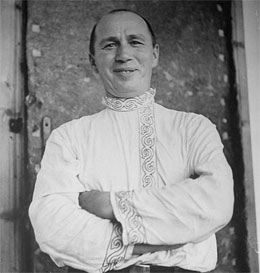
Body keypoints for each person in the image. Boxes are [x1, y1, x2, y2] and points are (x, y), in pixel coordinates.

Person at [29, 9, 234, 273]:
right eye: (110, 44)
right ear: (93, 61)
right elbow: (52, 225)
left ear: (155, 54)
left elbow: (216, 203)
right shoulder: (68, 137)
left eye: (135, 42)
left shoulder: (193, 129)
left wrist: (110, 204)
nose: (124, 55)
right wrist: (171, 240)